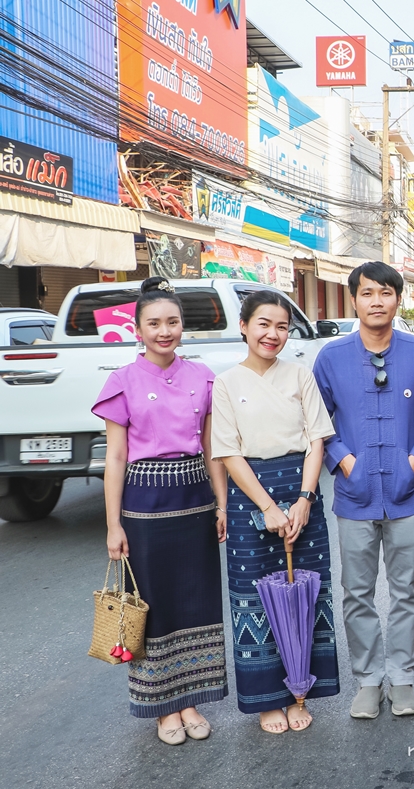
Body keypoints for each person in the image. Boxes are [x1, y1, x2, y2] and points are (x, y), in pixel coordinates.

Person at [92, 277, 228, 746]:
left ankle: (190, 699)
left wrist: (222, 503)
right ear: (137, 329)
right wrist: (113, 525)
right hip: (144, 508)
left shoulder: (203, 376)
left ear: (182, 327)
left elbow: (212, 449)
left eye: (172, 322)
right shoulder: (121, 381)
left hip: (195, 502)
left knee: (195, 602)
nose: (164, 331)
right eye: (154, 323)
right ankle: (162, 707)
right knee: (154, 606)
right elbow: (115, 457)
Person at [313, 262, 414, 721]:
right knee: (357, 590)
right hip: (354, 493)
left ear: (397, 299)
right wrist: (343, 460)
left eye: (385, 293)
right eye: (367, 293)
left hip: (406, 492)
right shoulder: (331, 356)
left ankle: (402, 677)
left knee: (407, 589)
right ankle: (367, 680)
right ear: (354, 300)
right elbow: (318, 420)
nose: (376, 302)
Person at [211, 290, 339, 734]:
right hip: (252, 496)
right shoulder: (226, 383)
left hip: (302, 492)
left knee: (305, 596)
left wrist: (304, 499)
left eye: (282, 326)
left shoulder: (300, 375)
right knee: (255, 601)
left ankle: (301, 692)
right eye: (263, 324)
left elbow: (317, 439)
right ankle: (267, 699)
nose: (273, 334)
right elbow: (227, 452)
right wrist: (267, 506)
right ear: (244, 326)